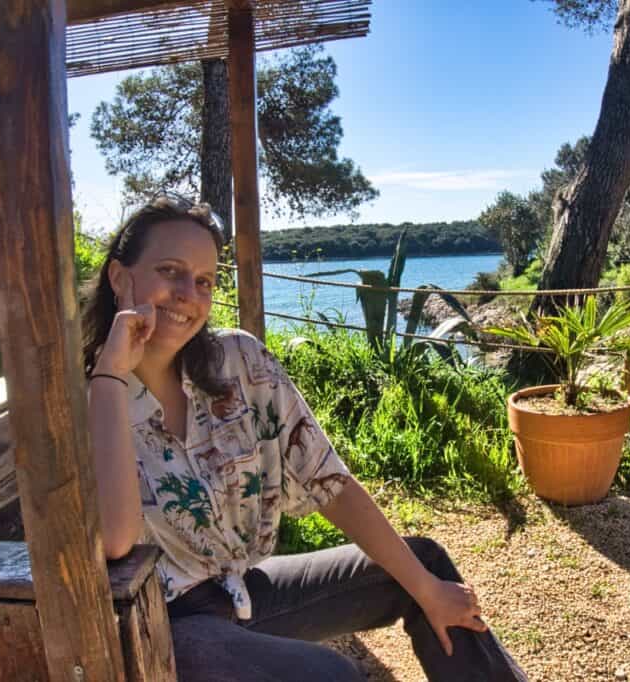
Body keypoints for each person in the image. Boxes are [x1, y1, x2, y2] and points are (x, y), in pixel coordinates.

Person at [83, 195, 527, 681]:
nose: (189, 294)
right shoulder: (89, 398)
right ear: (120, 278)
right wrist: (111, 375)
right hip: (166, 628)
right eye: (170, 271)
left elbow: (328, 482)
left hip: (240, 591)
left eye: (204, 280)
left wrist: (426, 588)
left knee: (424, 568)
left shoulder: (240, 364)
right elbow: (117, 538)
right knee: (330, 675)